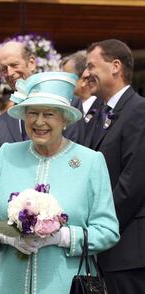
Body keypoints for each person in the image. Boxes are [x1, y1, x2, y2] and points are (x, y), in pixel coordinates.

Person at [0, 71, 120, 294]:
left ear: (64, 119)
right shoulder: (7, 155)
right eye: (32, 113)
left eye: (49, 114)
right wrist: (13, 236)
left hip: (66, 285)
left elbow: (108, 231)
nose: (39, 121)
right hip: (12, 285)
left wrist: (61, 237)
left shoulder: (90, 162)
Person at [83, 39, 145, 293]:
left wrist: (99, 226)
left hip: (129, 251)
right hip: (107, 249)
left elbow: (133, 183)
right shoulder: (99, 115)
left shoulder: (139, 111)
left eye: (91, 66)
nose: (86, 73)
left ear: (115, 66)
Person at [0, 41, 36, 294]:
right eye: (4, 69)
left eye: (14, 64)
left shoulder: (64, 109)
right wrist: (7, 230)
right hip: (13, 228)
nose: (10, 73)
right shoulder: (3, 122)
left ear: (32, 63)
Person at [60, 50, 102, 145]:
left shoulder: (104, 111)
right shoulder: (67, 109)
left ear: (84, 79)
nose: (63, 84)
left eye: (67, 79)